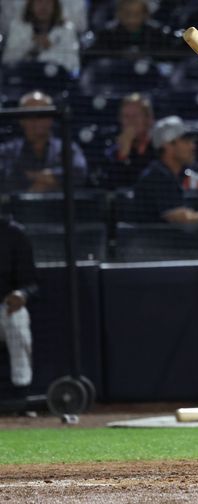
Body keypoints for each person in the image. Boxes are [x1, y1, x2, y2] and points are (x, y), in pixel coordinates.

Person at [0, 91, 88, 193]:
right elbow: (7, 180)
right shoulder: (8, 151)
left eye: (41, 115)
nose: (35, 121)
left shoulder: (67, 147)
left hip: (59, 207)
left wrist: (38, 178)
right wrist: (50, 180)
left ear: (51, 118)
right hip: (17, 208)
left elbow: (79, 173)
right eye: (29, 116)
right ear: (21, 120)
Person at [0, 217, 37, 392]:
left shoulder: (13, 233)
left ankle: (21, 392)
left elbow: (31, 282)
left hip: (5, 308)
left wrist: (21, 294)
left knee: (17, 320)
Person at [1, 0, 81, 75]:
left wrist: (49, 49)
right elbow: (8, 60)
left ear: (55, 5)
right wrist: (32, 45)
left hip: (56, 82)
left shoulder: (67, 30)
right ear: (31, 5)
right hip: (23, 81)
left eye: (48, 2)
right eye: (39, 1)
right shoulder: (18, 27)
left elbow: (73, 65)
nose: (43, 7)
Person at [84, 0, 177, 62]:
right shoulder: (106, 35)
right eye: (127, 14)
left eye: (137, 14)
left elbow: (167, 58)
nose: (131, 20)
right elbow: (95, 59)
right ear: (118, 13)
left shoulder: (157, 34)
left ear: (146, 14)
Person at [102, 93, 157, 190]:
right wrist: (123, 155)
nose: (131, 121)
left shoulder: (160, 148)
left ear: (148, 119)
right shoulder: (112, 153)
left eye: (136, 116)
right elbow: (113, 187)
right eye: (126, 116)